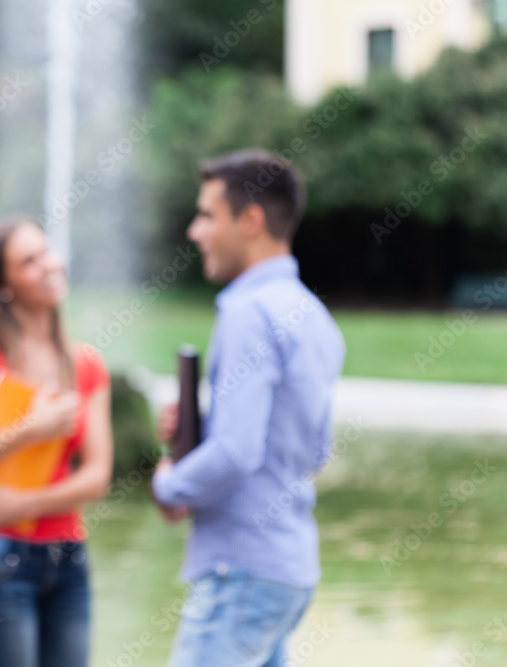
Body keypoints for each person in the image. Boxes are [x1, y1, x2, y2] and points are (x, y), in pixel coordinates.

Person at [152, 149, 345, 667]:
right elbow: (313, 450)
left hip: (239, 571)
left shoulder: (248, 312)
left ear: (251, 220)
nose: (195, 231)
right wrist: (206, 427)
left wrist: (169, 483)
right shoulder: (312, 314)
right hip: (288, 568)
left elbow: (238, 452)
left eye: (208, 215)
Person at [0, 218, 113, 667]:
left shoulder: (86, 364)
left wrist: (22, 506)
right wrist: (30, 429)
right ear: (3, 285)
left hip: (68, 558)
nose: (49, 265)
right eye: (29, 261)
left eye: (46, 252)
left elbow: (97, 477)